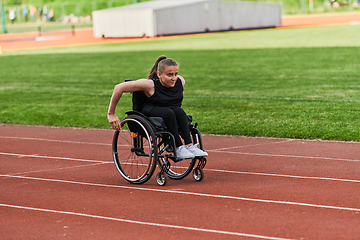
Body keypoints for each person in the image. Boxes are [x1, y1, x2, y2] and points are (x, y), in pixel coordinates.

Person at [107, 55, 208, 160]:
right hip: (150, 109)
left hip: (170, 110)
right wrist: (111, 114)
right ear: (159, 75)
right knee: (169, 113)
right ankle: (178, 147)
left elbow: (175, 104)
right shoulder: (150, 85)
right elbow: (118, 88)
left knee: (180, 112)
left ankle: (189, 146)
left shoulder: (180, 81)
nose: (174, 78)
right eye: (169, 75)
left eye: (175, 74)